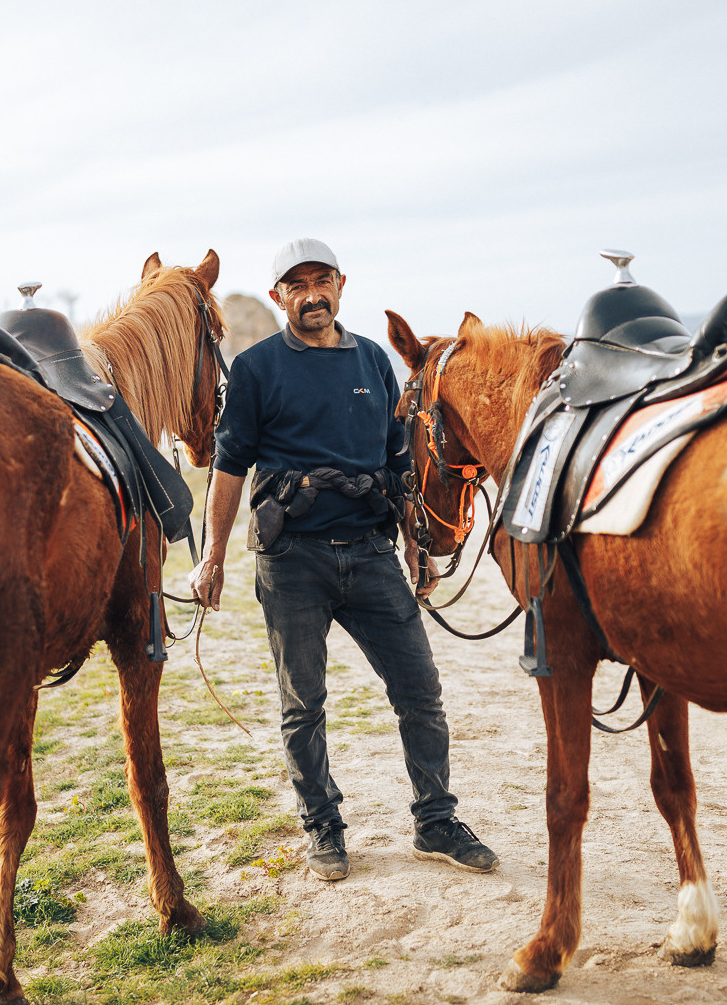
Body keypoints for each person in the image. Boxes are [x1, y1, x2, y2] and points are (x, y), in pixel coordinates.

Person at [190, 236, 499, 883]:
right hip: (291, 558)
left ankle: (436, 821)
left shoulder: (373, 363)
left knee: (421, 692)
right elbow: (229, 465)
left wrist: (415, 544)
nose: (311, 295)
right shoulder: (256, 369)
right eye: (296, 286)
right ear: (279, 297)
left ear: (340, 284)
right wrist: (212, 556)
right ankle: (323, 830)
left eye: (321, 280)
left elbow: (396, 460)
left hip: (371, 552)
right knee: (303, 703)